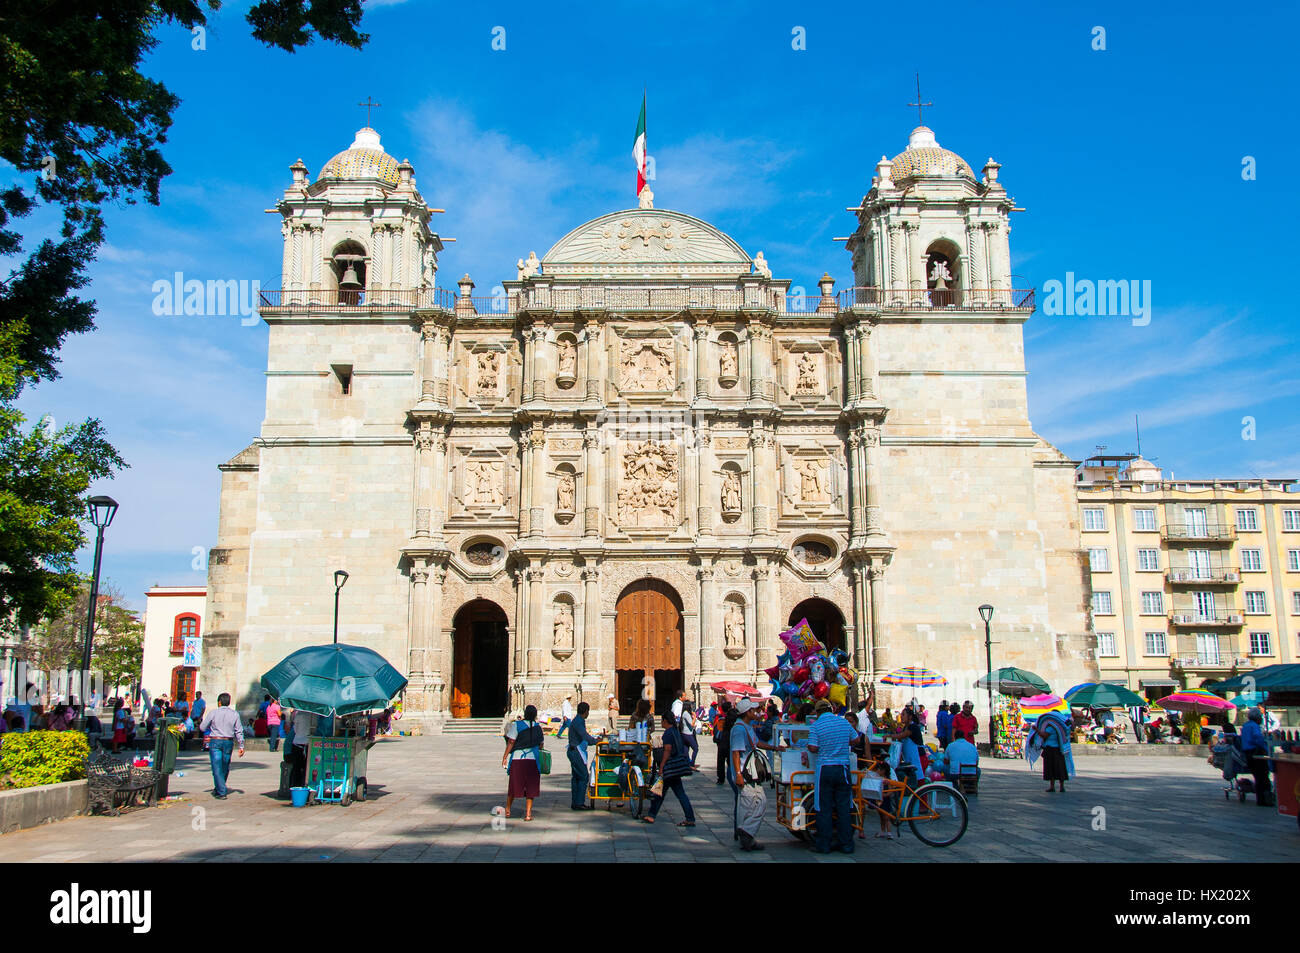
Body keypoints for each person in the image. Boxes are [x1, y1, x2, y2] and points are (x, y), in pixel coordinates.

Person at [806, 698, 859, 854]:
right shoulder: (844, 723)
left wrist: (810, 746)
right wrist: (842, 744)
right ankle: (846, 844)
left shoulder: (816, 726)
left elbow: (814, 748)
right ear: (831, 710)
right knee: (844, 807)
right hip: (843, 768)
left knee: (824, 808)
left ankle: (823, 844)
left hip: (825, 769)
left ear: (817, 713)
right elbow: (856, 739)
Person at [730, 698, 777, 852]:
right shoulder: (739, 729)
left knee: (747, 804)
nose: (756, 712)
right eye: (753, 710)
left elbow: (757, 743)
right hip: (745, 772)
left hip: (749, 773)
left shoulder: (746, 726)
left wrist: (775, 748)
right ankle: (747, 832)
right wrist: (738, 774)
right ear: (747, 712)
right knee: (760, 802)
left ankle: (745, 834)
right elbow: (736, 752)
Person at [643, 710, 696, 826]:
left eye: (662, 721)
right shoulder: (676, 731)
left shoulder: (667, 733)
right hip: (676, 766)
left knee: (661, 791)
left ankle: (652, 815)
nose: (661, 723)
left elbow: (667, 750)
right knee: (662, 791)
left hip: (670, 767)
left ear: (665, 721)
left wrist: (661, 766)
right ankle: (652, 815)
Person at [199, 692, 246, 799]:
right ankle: (219, 787)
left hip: (216, 740)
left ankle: (221, 791)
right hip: (228, 741)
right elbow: (239, 731)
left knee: (217, 767)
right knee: (225, 766)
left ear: (219, 702)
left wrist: (211, 727)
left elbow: (202, 727)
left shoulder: (213, 713)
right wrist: (241, 745)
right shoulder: (234, 714)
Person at [503, 704, 544, 821]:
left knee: (514, 784)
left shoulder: (517, 725)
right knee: (530, 787)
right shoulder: (538, 727)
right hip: (533, 760)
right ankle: (528, 814)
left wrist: (505, 756)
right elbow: (541, 744)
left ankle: (508, 809)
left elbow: (511, 741)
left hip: (518, 759)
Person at [567, 701, 600, 810]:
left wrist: (593, 740)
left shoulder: (577, 720)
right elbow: (584, 735)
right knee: (583, 776)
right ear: (586, 711)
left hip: (574, 750)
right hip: (576, 751)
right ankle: (579, 803)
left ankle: (575, 802)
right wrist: (595, 741)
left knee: (576, 777)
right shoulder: (578, 721)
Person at [1032, 709, 1074, 793]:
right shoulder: (1062, 726)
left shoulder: (1051, 727)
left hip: (1050, 749)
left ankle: (1052, 786)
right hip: (1059, 749)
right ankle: (1062, 786)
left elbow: (1044, 736)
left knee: (1051, 768)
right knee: (1061, 768)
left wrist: (1036, 729)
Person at [1240, 708, 1273, 807]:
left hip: (1247, 754)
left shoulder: (1245, 726)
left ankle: (1260, 799)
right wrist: (1265, 747)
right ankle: (1265, 799)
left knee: (1257, 777)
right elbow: (1258, 738)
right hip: (1256, 753)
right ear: (1257, 717)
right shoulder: (1254, 726)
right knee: (1263, 777)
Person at [713, 701, 733, 785]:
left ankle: (720, 778)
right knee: (730, 760)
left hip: (721, 742)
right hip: (729, 741)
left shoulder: (719, 718)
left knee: (720, 761)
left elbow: (714, 729)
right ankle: (732, 775)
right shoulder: (732, 718)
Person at [676, 695, 699, 767]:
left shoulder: (684, 713)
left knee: (686, 749)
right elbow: (692, 724)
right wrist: (694, 717)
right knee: (695, 748)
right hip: (688, 734)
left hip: (684, 733)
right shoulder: (686, 713)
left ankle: (686, 763)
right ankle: (692, 763)